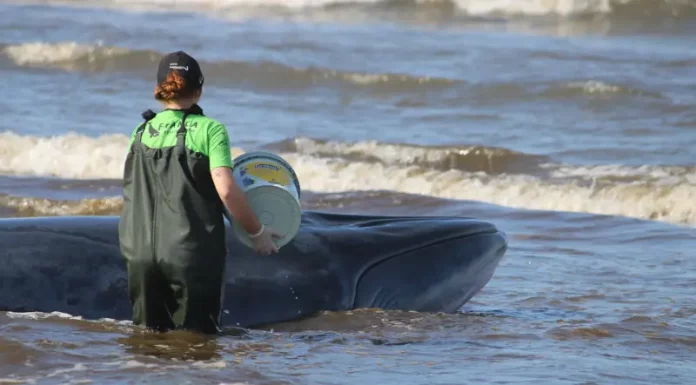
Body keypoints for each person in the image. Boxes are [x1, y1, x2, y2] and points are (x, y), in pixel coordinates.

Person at [118, 50, 281, 334]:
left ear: (160, 89)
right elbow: (227, 191)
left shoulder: (141, 131)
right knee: (196, 345)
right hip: (190, 256)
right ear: (199, 89)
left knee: (146, 344)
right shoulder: (211, 131)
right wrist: (257, 233)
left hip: (139, 252)